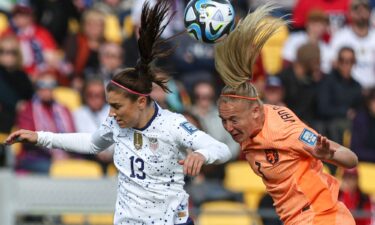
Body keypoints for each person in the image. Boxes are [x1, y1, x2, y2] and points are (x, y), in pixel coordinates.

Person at [5, 1, 232, 224]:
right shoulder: (118, 124)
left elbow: (220, 149)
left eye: (116, 106)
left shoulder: (172, 124)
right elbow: (92, 143)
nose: (111, 113)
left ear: (141, 102)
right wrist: (40, 137)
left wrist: (202, 155)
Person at [214, 4, 358, 225]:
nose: (228, 127)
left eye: (233, 120)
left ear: (255, 112)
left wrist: (326, 154)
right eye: (223, 120)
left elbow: (350, 159)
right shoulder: (247, 129)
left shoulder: (286, 131)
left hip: (321, 217)